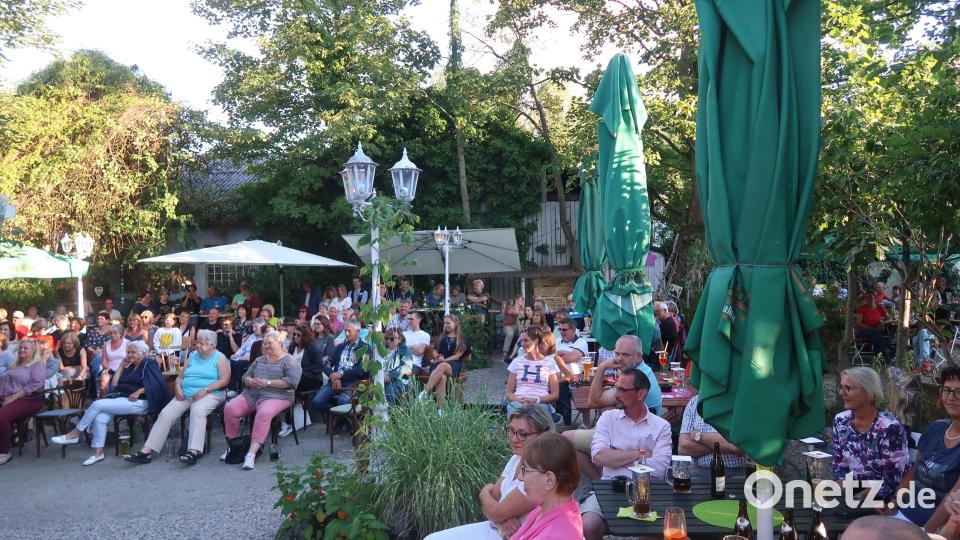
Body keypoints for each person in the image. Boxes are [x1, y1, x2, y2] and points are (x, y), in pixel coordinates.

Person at [425, 405, 555, 540]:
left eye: (523, 434)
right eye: (511, 430)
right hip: (498, 528)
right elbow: (494, 499)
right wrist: (502, 520)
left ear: (543, 434)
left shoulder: (540, 473)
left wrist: (483, 494)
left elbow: (495, 508)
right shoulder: (516, 459)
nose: (514, 439)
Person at [581, 367, 672, 540]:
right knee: (587, 526)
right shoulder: (608, 418)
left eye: (622, 390)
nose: (616, 394)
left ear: (641, 394)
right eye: (616, 387)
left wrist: (616, 456)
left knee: (654, 532)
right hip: (609, 488)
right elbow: (599, 456)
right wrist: (640, 454)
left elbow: (660, 470)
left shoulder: (661, 426)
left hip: (648, 492)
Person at [51, 340, 170, 466]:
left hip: (142, 401)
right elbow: (114, 383)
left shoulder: (148, 363)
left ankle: (75, 433)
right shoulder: (130, 366)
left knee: (97, 404)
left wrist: (140, 390)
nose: (129, 355)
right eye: (128, 352)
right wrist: (120, 366)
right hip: (124, 399)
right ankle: (98, 453)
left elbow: (159, 384)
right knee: (100, 418)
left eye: (133, 352)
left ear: (142, 353)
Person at [126, 329, 230, 465]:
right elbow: (180, 377)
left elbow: (224, 380)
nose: (198, 346)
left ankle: (194, 450)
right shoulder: (193, 356)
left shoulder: (219, 357)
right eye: (198, 343)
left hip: (211, 394)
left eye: (202, 343)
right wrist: (177, 387)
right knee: (165, 413)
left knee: (197, 411)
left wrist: (205, 390)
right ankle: (146, 451)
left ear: (212, 346)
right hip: (186, 394)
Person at [890, 365, 960, 531]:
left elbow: (953, 498)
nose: (951, 397)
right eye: (947, 390)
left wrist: (926, 532)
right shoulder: (935, 429)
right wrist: (894, 502)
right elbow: (914, 472)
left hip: (938, 528)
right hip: (904, 515)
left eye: (959, 392)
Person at [222, 331, 301, 470]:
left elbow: (292, 381)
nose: (266, 345)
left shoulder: (289, 360)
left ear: (279, 343)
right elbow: (245, 376)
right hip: (253, 394)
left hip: (278, 396)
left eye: (269, 343)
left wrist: (268, 383)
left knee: (264, 413)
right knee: (230, 408)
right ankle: (233, 446)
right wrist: (250, 381)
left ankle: (251, 454)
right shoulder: (259, 359)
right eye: (265, 343)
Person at [831, 367, 910, 500]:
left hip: (885, 499)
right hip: (851, 493)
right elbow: (840, 467)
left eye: (848, 388)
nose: (842, 393)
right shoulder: (841, 421)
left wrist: (857, 499)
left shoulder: (889, 427)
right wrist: (839, 496)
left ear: (869, 392)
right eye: (841, 387)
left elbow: (892, 481)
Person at [510, 432, 583, 540]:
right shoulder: (545, 509)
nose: (520, 477)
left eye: (525, 470)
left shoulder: (558, 535)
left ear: (549, 479)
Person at [678, 395, 747, 480]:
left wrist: (699, 436)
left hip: (738, 472)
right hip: (700, 472)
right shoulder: (696, 401)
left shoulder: (743, 400)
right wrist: (724, 445)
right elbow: (683, 448)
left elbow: (739, 445)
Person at [0, 339, 46, 465]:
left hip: (30, 399)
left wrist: (13, 397)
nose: (22, 350)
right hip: (10, 398)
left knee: (1, 416)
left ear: (34, 350)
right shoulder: (15, 365)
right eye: (21, 348)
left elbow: (36, 384)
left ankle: (4, 451)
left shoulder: (37, 365)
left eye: (26, 348)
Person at [310, 321, 369, 414]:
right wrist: (332, 375)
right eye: (345, 331)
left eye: (349, 331)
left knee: (343, 401)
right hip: (334, 381)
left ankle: (339, 422)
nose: (346, 334)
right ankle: (338, 416)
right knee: (316, 402)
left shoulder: (365, 348)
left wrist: (341, 375)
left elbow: (362, 369)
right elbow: (327, 364)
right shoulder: (340, 347)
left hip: (352, 382)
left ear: (358, 331)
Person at [504, 325, 559, 417]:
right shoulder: (517, 361)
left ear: (536, 340)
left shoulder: (549, 362)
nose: (522, 344)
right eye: (521, 340)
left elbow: (555, 394)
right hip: (519, 401)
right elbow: (509, 392)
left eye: (526, 340)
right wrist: (518, 400)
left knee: (536, 414)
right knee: (515, 410)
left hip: (540, 402)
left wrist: (536, 400)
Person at [420, 315, 472, 406]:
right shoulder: (442, 337)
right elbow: (435, 350)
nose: (446, 325)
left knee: (443, 365)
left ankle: (424, 393)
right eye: (444, 323)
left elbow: (457, 356)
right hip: (438, 366)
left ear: (455, 323)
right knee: (442, 378)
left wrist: (443, 361)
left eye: (448, 323)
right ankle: (440, 411)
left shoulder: (462, 338)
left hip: (453, 366)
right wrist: (437, 356)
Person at [554, 318, 587, 425]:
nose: (561, 332)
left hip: (575, 377)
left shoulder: (581, 342)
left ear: (573, 330)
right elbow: (547, 357)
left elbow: (571, 358)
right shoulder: (557, 341)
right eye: (560, 329)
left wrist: (557, 355)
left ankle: (566, 421)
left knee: (560, 384)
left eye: (564, 330)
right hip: (556, 375)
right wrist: (562, 353)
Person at [229, 319, 265, 394]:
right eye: (253, 327)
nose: (253, 329)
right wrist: (236, 354)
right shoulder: (252, 336)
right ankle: (233, 387)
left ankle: (235, 388)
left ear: (262, 327)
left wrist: (245, 357)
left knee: (237, 364)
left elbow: (260, 354)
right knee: (230, 362)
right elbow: (243, 348)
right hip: (243, 357)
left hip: (253, 359)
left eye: (256, 327)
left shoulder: (264, 338)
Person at [383, 328, 414, 403]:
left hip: (399, 379)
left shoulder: (404, 350)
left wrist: (390, 376)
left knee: (388, 391)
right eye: (387, 338)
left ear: (400, 339)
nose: (389, 341)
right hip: (382, 379)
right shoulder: (382, 351)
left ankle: (386, 412)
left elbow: (406, 368)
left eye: (392, 339)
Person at [101, 324, 129, 395]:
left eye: (115, 333)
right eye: (111, 333)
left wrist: (120, 370)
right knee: (104, 379)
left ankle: (115, 398)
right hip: (109, 369)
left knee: (116, 381)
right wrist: (108, 370)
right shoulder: (106, 345)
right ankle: (103, 401)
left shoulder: (127, 343)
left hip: (123, 368)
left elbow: (130, 359)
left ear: (120, 333)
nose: (112, 335)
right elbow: (104, 362)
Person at [501, 295, 524, 361]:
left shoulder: (522, 309)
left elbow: (524, 315)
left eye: (522, 301)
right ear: (516, 300)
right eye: (520, 300)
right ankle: (504, 354)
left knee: (523, 334)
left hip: (518, 327)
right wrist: (519, 312)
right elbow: (511, 312)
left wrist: (521, 313)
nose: (522, 302)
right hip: (508, 326)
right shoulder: (509, 306)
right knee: (510, 334)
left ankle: (520, 353)